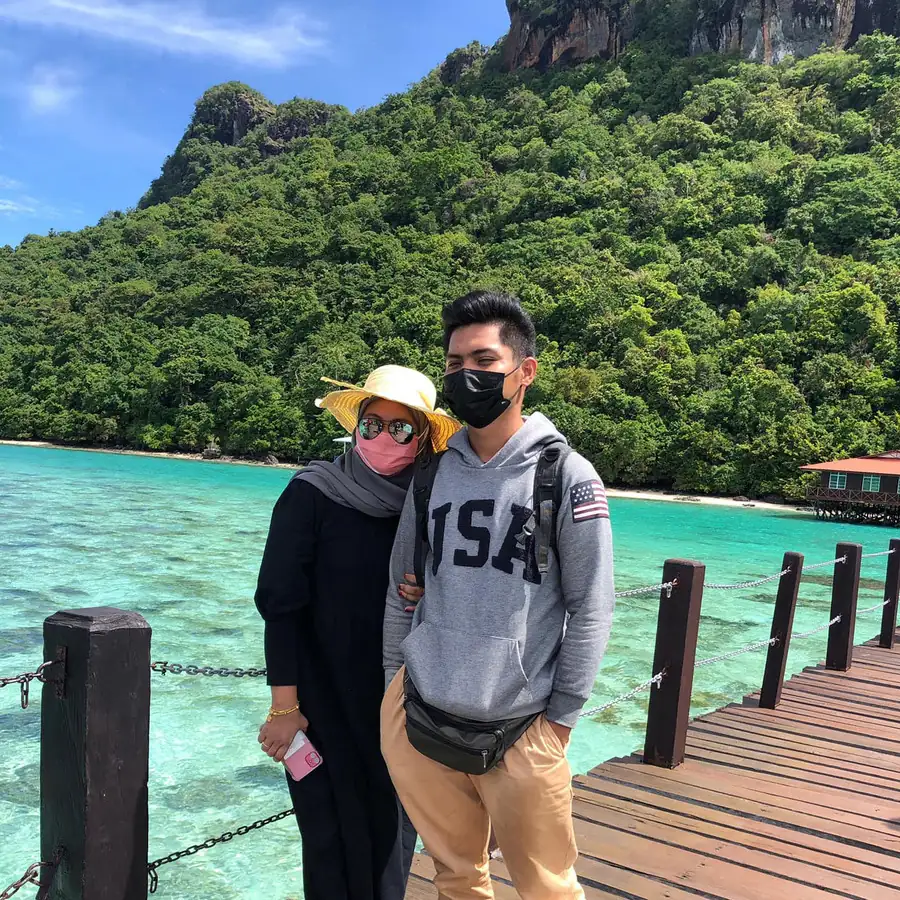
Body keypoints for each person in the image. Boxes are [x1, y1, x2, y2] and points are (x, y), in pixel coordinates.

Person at [381, 291, 616, 900]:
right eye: (455, 364)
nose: (467, 375)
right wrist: (393, 684)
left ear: (524, 370)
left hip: (523, 724)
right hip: (422, 712)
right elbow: (400, 585)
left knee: (547, 887)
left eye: (484, 361)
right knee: (455, 877)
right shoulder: (432, 472)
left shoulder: (566, 476)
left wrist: (561, 718)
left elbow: (592, 604)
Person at [254, 365, 461, 900]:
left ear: (421, 437)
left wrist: (428, 591)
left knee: (393, 835)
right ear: (355, 427)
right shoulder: (312, 493)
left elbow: (464, 586)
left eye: (400, 428)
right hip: (320, 701)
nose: (382, 438)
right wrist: (284, 707)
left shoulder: (431, 503)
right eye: (372, 424)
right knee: (327, 836)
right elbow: (281, 606)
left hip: (401, 698)